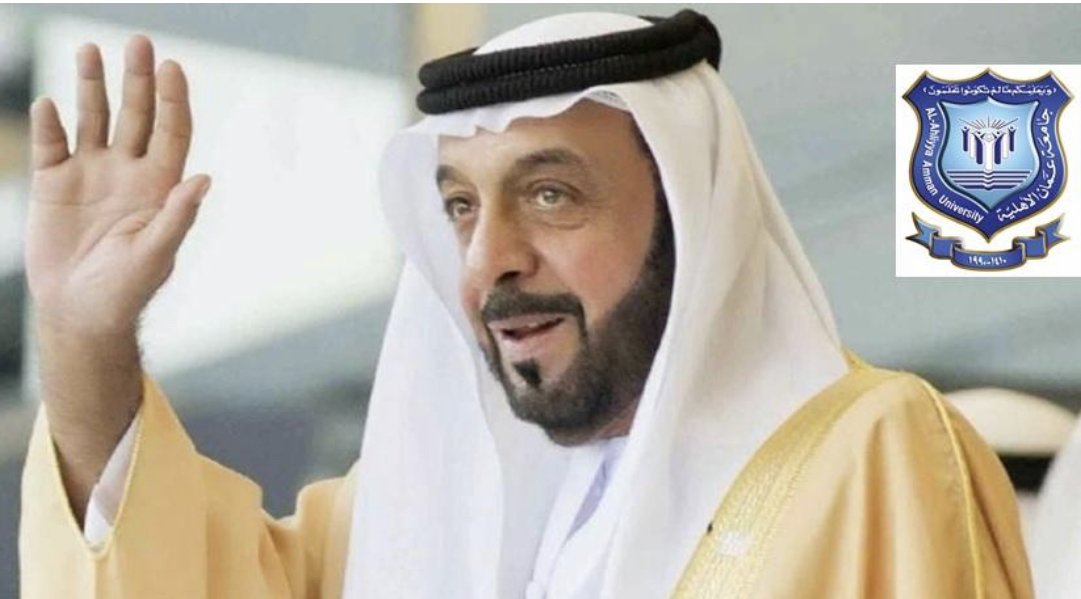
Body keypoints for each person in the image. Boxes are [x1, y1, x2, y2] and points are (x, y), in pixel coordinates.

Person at [19, 10, 1034, 599]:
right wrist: (82, 336)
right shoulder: (418, 498)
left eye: (550, 194)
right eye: (460, 207)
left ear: (691, 217)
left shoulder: (866, 449)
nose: (489, 259)